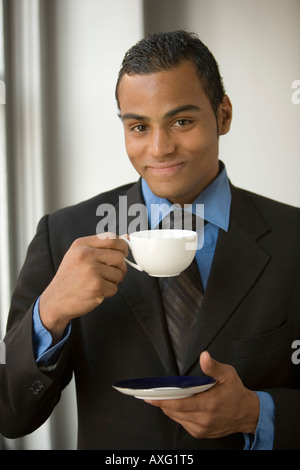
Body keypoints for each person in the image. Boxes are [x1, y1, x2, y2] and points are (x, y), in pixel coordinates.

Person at [1, 30, 299, 450]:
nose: (159, 148)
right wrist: (48, 314)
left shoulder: (293, 239)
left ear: (224, 115)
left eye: (182, 121)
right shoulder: (64, 235)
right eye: (139, 126)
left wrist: (257, 412)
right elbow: (11, 415)